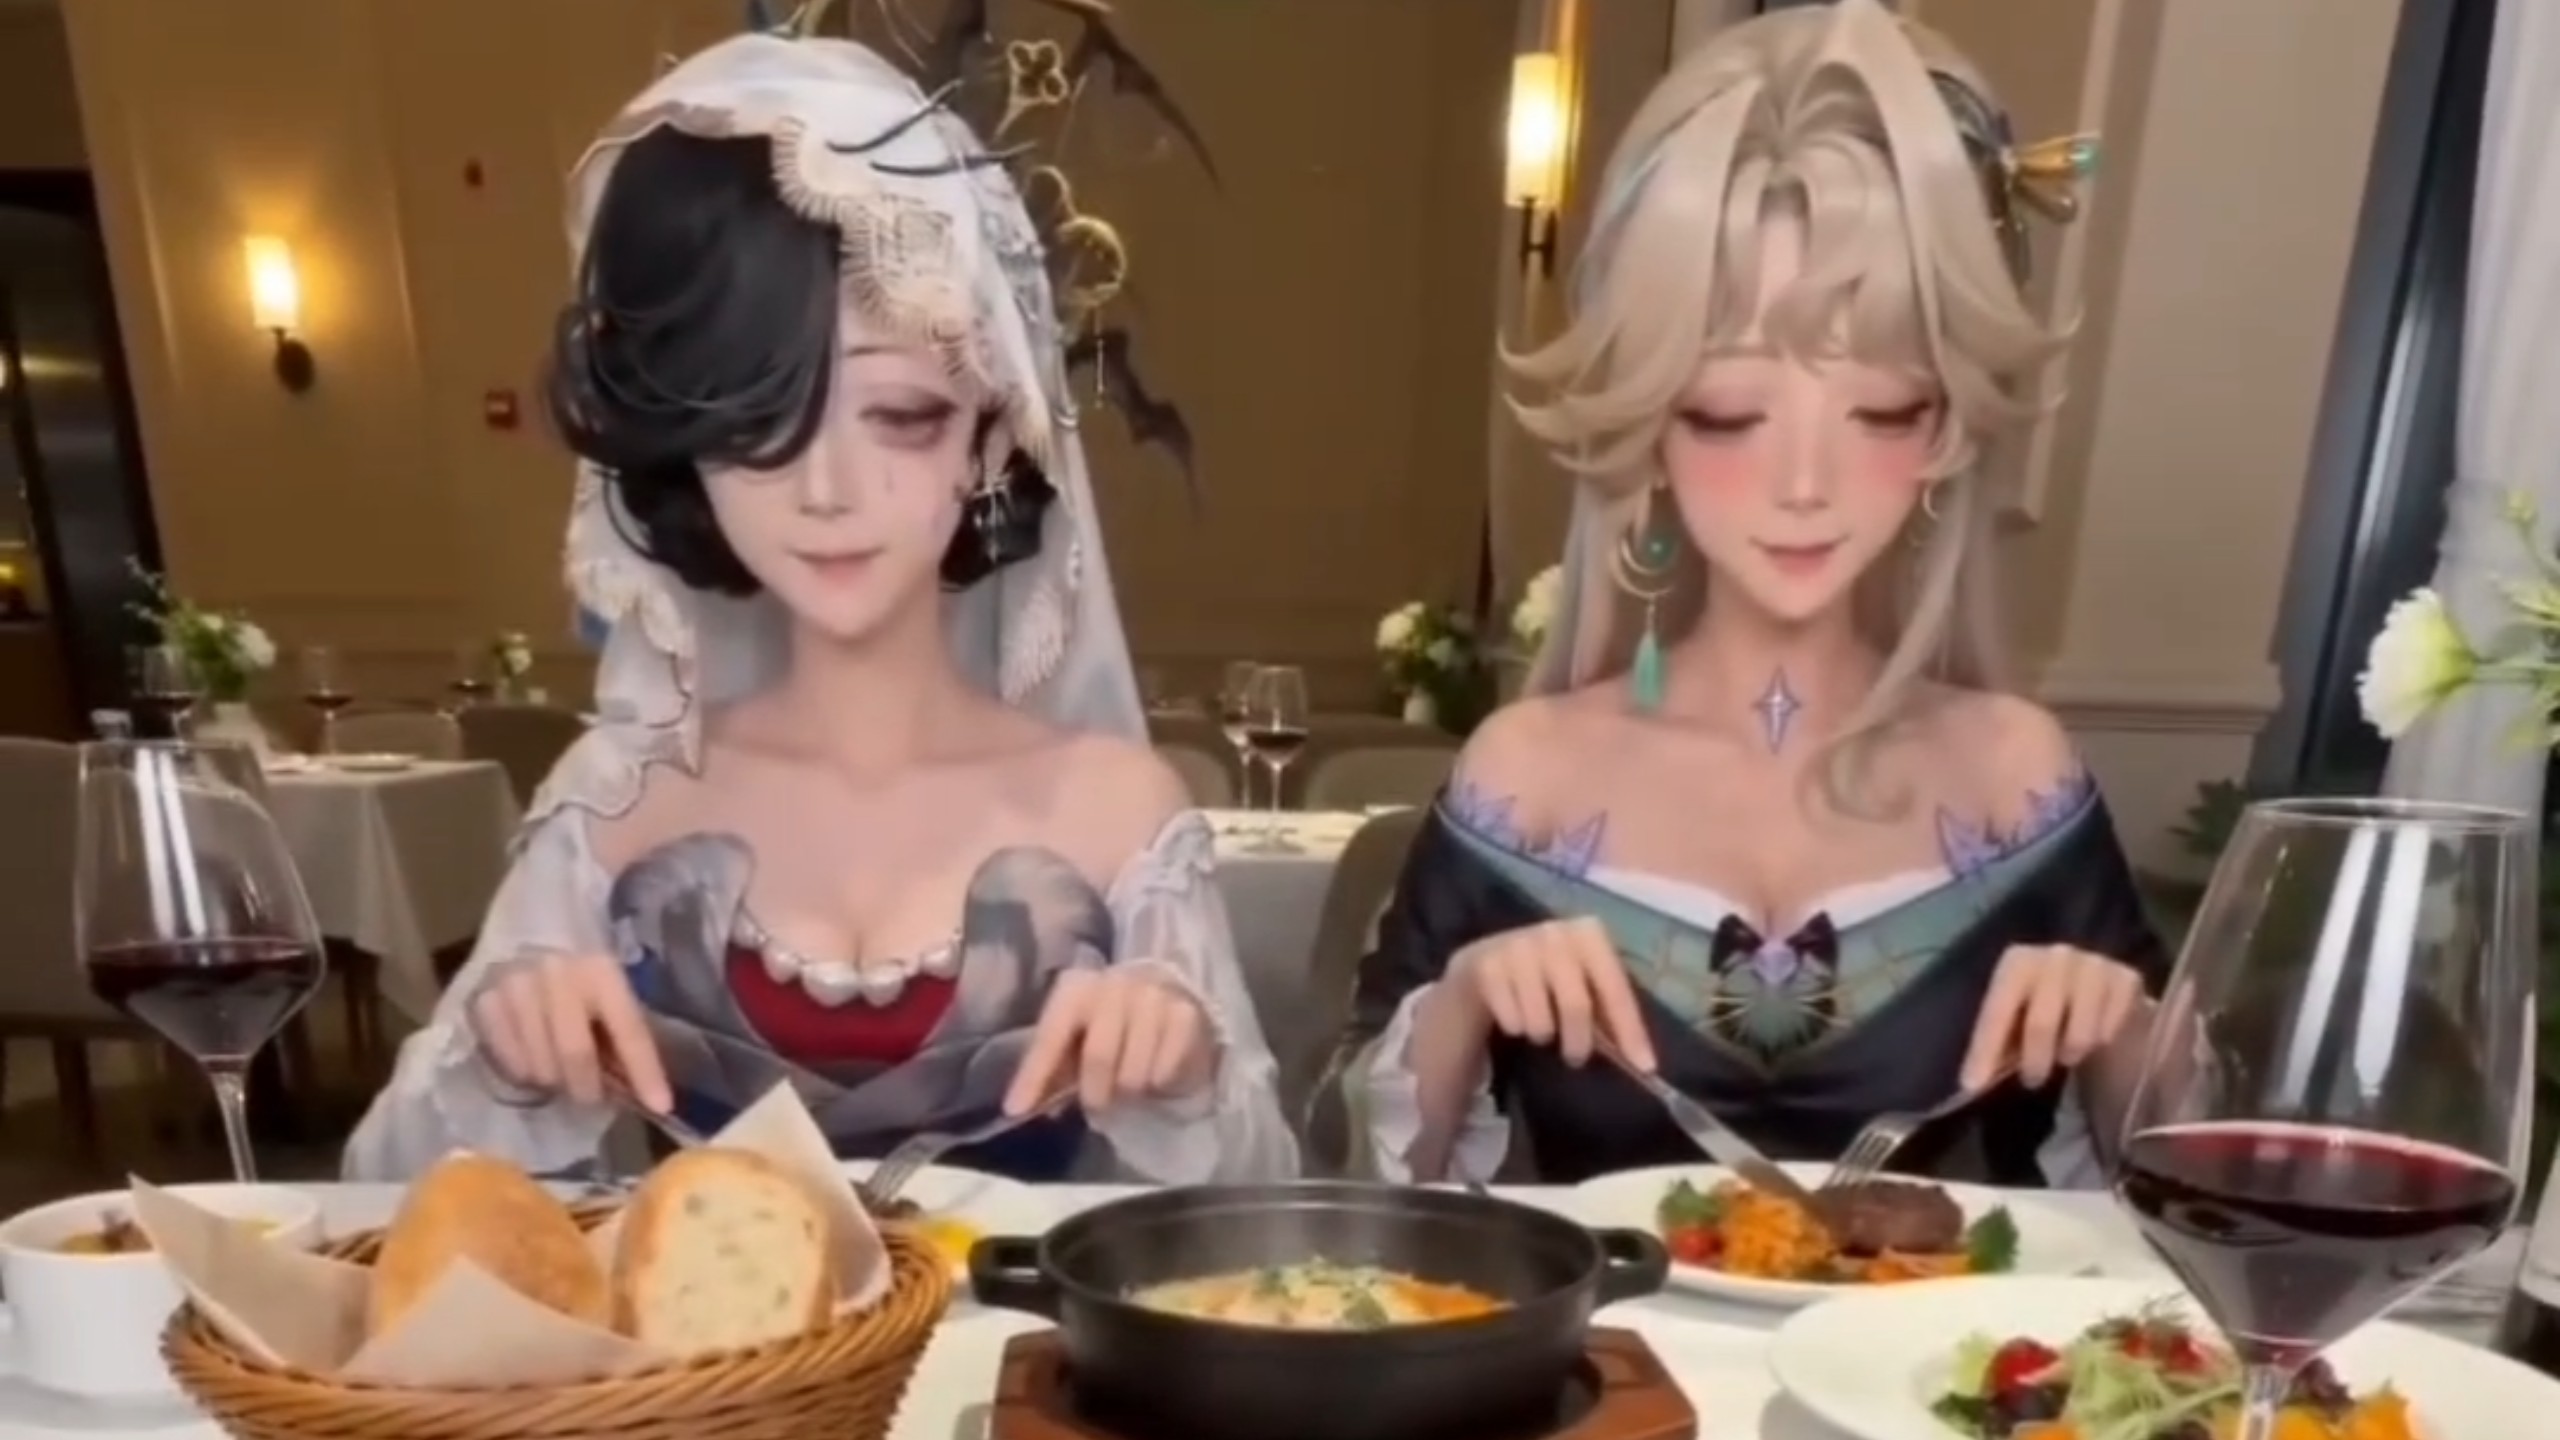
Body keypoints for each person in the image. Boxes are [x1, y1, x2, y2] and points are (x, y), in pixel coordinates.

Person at [344, 27, 1294, 1184]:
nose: (827, 491)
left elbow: (1263, 1220)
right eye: (757, 426)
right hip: (698, 1313)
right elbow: (375, 1196)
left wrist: (1187, 1078)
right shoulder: (619, 802)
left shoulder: (1115, 811)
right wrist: (499, 1057)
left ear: (991, 437)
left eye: (900, 417)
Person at [1342, 0, 2161, 1188]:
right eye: (1729, 416)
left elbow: (2187, 1196)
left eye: (1881, 412)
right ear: (1647, 427)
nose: (1803, 484)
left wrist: (2121, 1029)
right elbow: (1352, 1193)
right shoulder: (1526, 779)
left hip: (1937, 1316)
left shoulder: (2012, 776)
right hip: (1599, 1316)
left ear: (1947, 429)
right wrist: (1464, 1003)